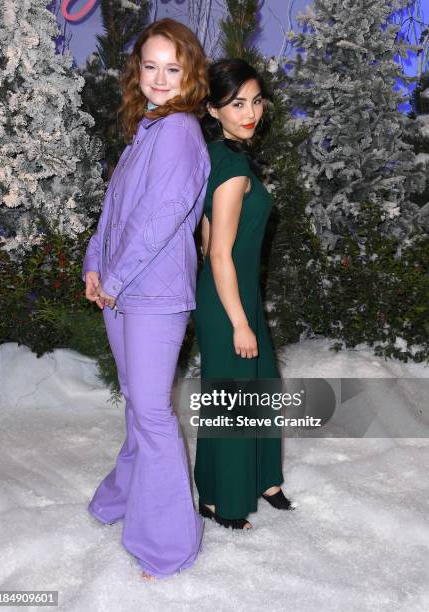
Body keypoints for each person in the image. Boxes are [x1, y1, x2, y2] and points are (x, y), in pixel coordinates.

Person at [82, 18, 210, 579]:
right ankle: (121, 500)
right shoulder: (147, 130)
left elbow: (158, 223)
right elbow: (114, 214)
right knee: (139, 402)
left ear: (190, 75)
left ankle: (167, 545)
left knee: (153, 412)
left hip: (153, 294)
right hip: (122, 291)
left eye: (172, 68)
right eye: (150, 66)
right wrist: (94, 266)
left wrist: (113, 277)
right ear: (139, 70)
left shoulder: (180, 131)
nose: (160, 78)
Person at [193, 59, 294, 530]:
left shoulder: (217, 154)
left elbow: (207, 237)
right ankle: (221, 502)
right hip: (229, 296)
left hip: (232, 292)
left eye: (255, 100)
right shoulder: (231, 167)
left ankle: (262, 479)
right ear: (213, 109)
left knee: (256, 386)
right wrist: (238, 321)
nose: (250, 111)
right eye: (237, 103)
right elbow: (218, 255)